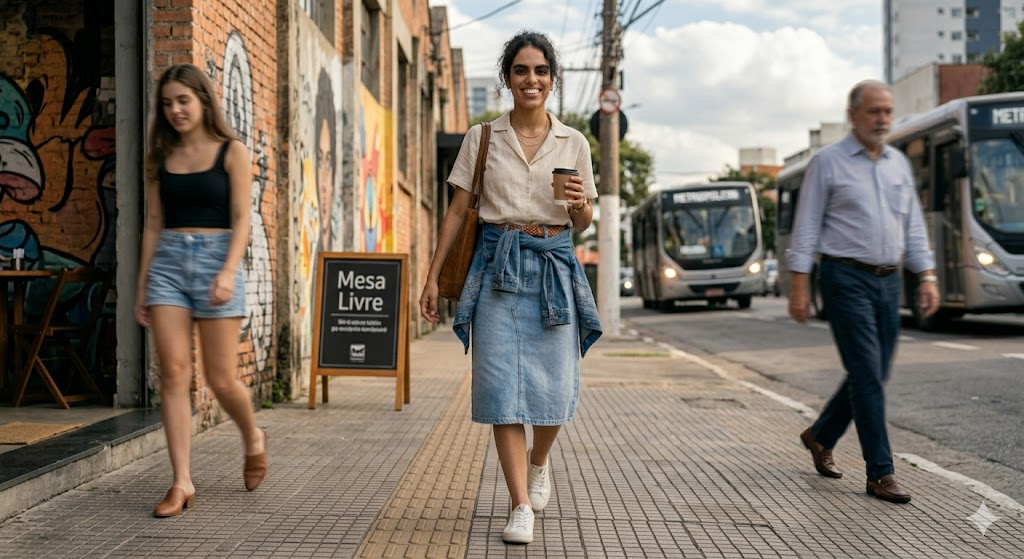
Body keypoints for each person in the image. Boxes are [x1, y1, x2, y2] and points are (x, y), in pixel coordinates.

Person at [419, 31, 601, 544]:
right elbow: (457, 212)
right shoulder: (481, 139)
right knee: (501, 389)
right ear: (507, 79)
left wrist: (577, 205)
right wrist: (432, 277)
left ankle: (539, 462)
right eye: (521, 71)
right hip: (497, 270)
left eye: (541, 71)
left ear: (552, 79)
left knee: (555, 384)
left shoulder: (575, 143)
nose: (531, 80)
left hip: (553, 269)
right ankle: (520, 503)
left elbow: (584, 222)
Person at [786, 80, 939, 504]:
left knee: (873, 372)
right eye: (874, 112)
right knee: (869, 374)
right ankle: (880, 473)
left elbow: (913, 225)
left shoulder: (897, 164)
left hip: (889, 280)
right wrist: (799, 284)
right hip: (844, 277)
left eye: (888, 111)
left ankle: (821, 435)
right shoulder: (828, 163)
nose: (883, 120)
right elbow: (808, 225)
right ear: (853, 115)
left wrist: (926, 275)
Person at [135, 63, 267, 518]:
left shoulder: (231, 151)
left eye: (183, 100)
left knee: (221, 378)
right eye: (167, 103)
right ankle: (182, 482)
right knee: (172, 373)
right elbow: (152, 225)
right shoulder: (160, 155)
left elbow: (241, 219)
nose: (175, 110)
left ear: (204, 100)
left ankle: (253, 436)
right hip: (168, 266)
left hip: (217, 263)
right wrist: (142, 286)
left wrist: (229, 271)